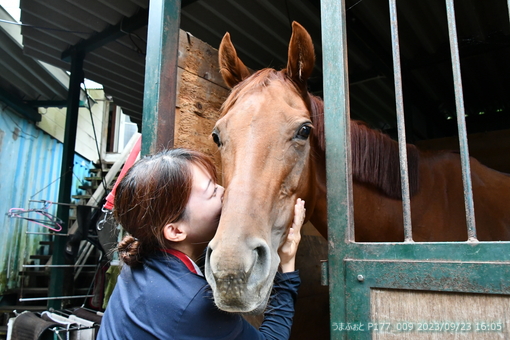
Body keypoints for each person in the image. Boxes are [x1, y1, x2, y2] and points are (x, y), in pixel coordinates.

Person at [98, 148, 305, 340]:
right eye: (212, 192)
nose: (224, 191)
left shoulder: (142, 260)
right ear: (176, 231)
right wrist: (287, 267)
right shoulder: (194, 304)